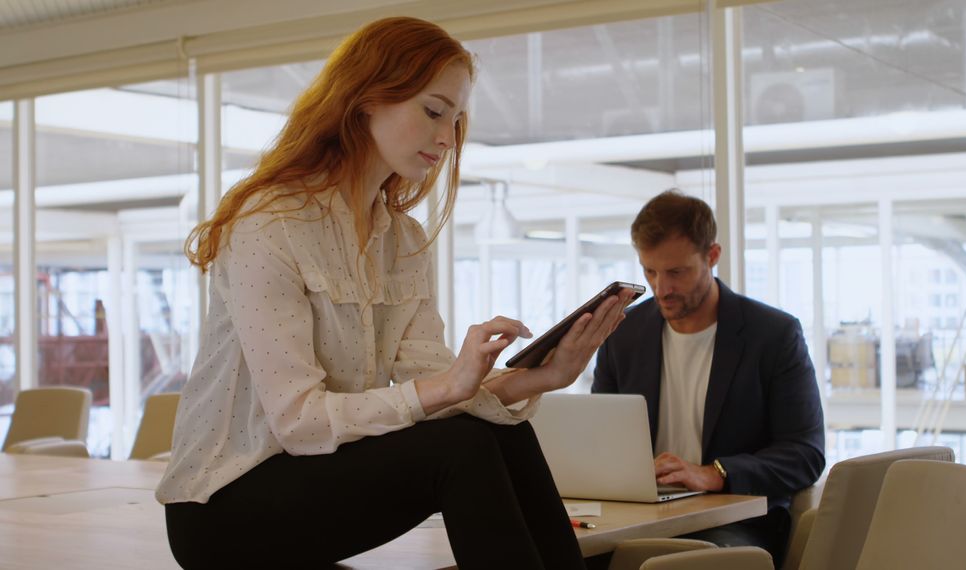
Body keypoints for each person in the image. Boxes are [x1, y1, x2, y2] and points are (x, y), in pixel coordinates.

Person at [157, 17, 634, 569]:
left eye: (456, 121)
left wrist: (541, 377)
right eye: (433, 111)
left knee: (496, 435)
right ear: (364, 101)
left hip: (314, 479)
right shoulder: (270, 224)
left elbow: (437, 394)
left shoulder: (403, 240)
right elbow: (300, 422)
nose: (446, 138)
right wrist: (448, 385)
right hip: (222, 507)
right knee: (465, 446)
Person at [592, 190, 825, 564]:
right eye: (649, 271)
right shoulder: (623, 333)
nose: (661, 288)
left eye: (676, 272)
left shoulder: (773, 334)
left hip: (736, 521)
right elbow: (599, 440)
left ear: (712, 256)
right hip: (640, 515)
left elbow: (805, 454)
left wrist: (715, 473)